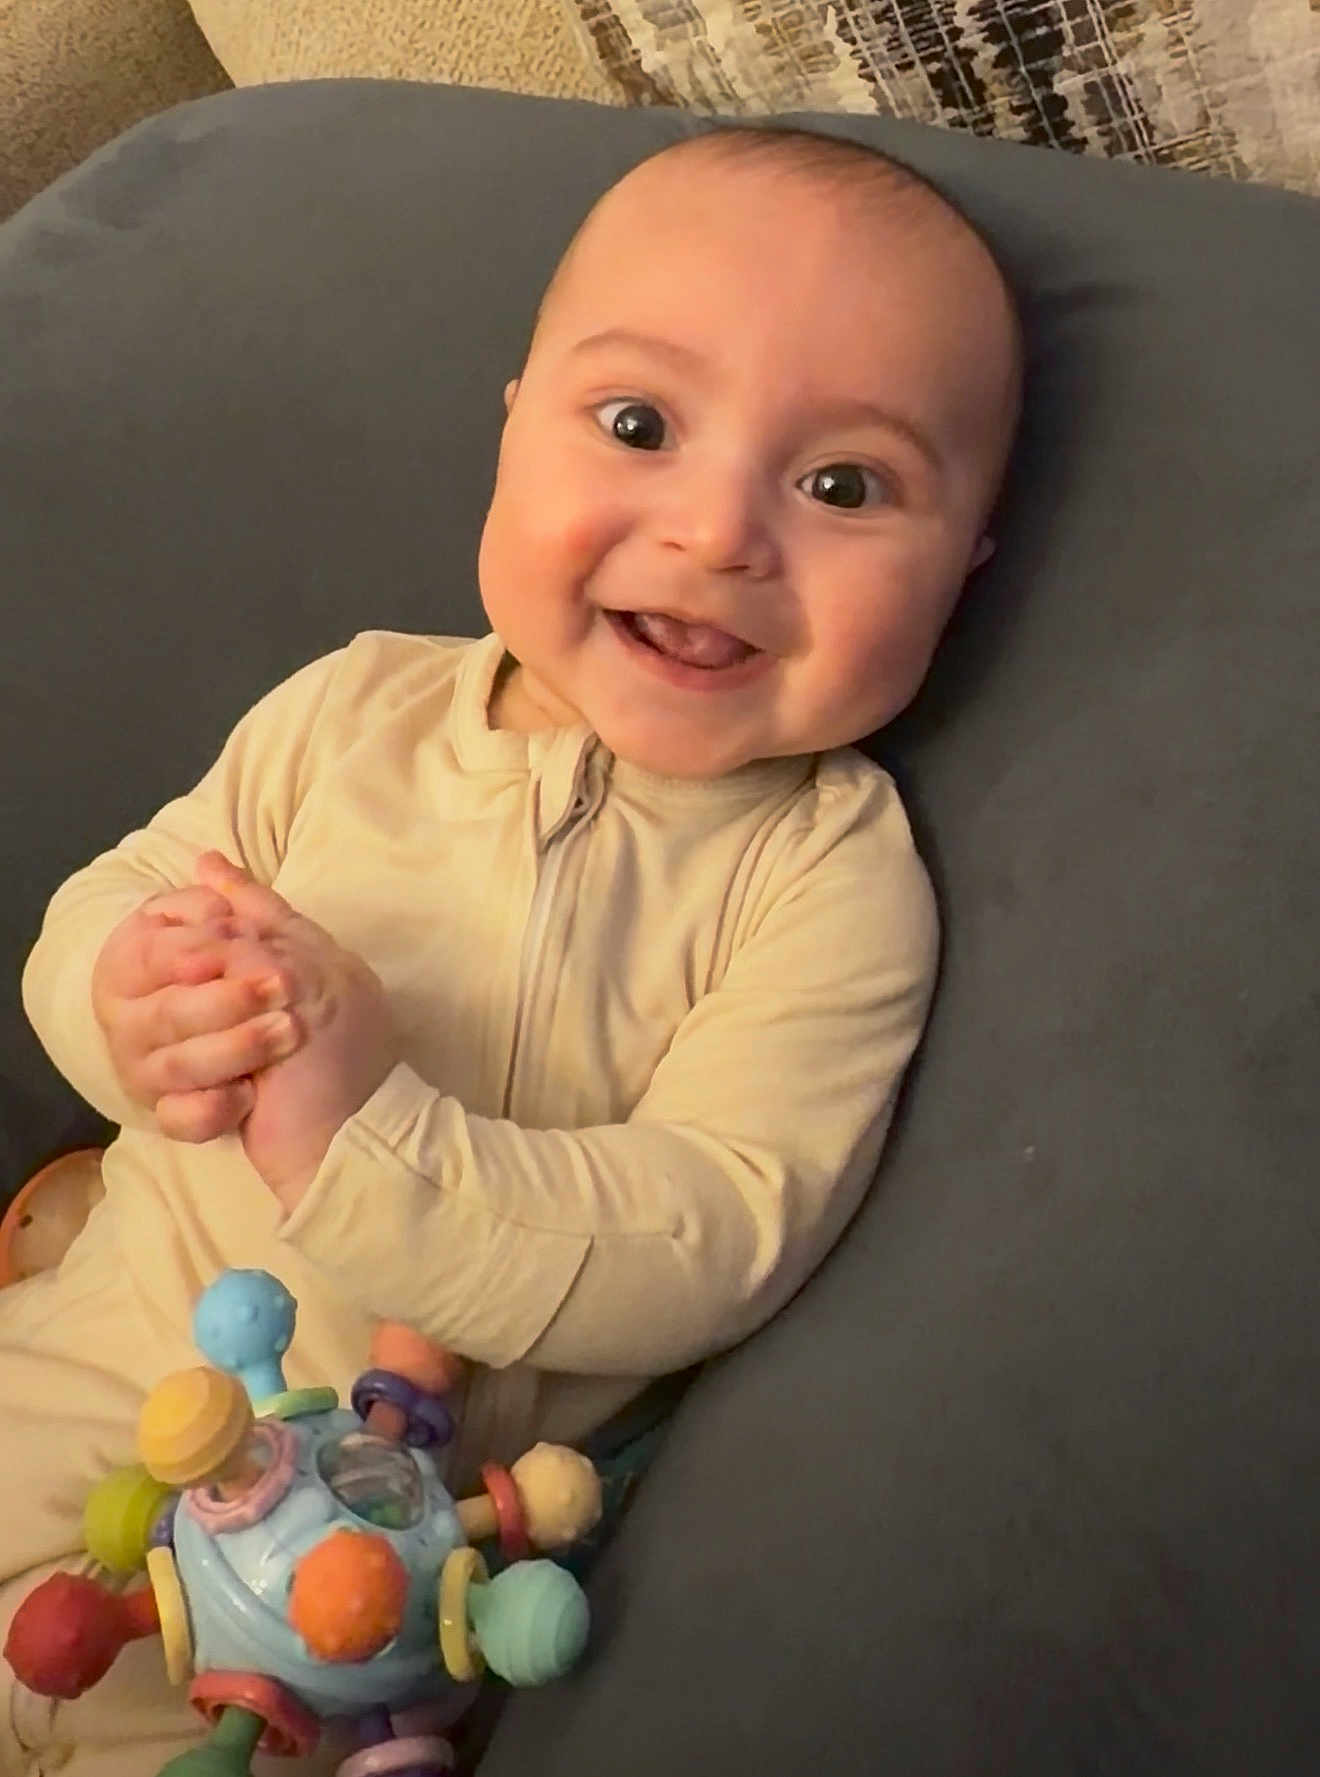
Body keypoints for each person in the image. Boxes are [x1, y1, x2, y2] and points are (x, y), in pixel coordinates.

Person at [0, 123, 1023, 1775]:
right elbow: (121, 889)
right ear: (511, 430)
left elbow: (717, 1227)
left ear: (968, 562)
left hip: (359, 1590)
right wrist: (128, 996)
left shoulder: (827, 871)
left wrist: (363, 1142)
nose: (716, 534)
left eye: (844, 485)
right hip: (103, 1351)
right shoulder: (359, 707)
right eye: (638, 426)